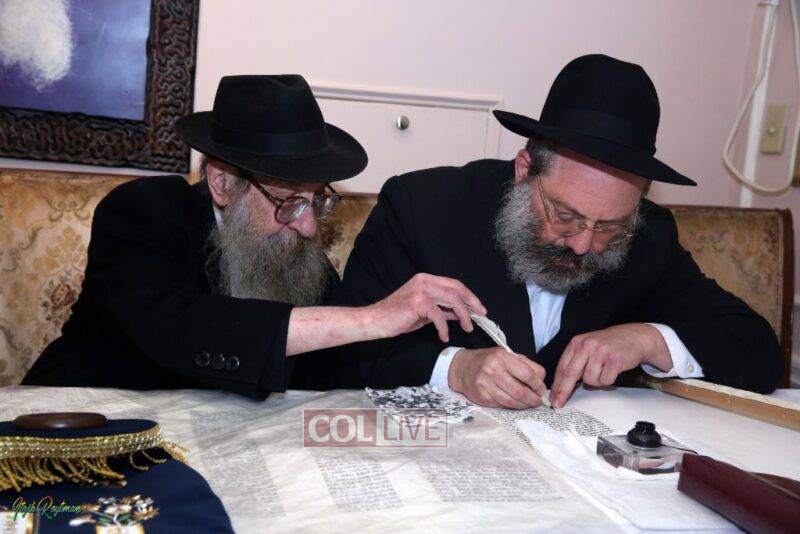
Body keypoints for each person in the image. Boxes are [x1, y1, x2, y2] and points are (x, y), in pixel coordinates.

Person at [326, 54, 783, 408]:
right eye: (565, 215)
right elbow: (340, 354)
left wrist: (647, 339)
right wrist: (455, 368)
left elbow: (757, 350)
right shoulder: (422, 208)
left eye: (610, 227)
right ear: (525, 170)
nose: (584, 244)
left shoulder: (651, 238)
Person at [23, 75, 485, 399]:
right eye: (289, 202)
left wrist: (457, 368)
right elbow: (180, 328)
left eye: (317, 201)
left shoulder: (297, 254)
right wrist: (372, 318)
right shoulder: (142, 212)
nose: (308, 227)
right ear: (223, 184)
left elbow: (341, 363)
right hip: (76, 422)